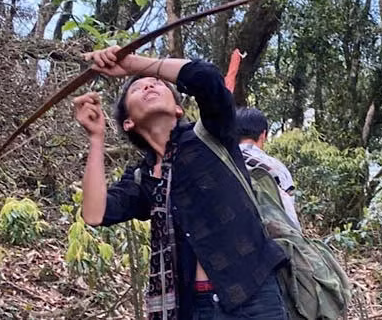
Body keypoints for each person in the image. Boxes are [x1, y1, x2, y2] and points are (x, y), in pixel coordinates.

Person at [73, 46, 288, 320]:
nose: (149, 85)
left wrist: (134, 65)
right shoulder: (144, 178)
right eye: (138, 88)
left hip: (252, 294)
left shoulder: (212, 136)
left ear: (177, 108)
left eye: (157, 84)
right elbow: (94, 213)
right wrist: (95, 138)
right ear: (128, 122)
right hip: (192, 306)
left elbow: (207, 79)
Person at [236, 108, 302, 231]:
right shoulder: (276, 168)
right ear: (263, 135)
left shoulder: (222, 162)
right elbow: (289, 215)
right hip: (269, 240)